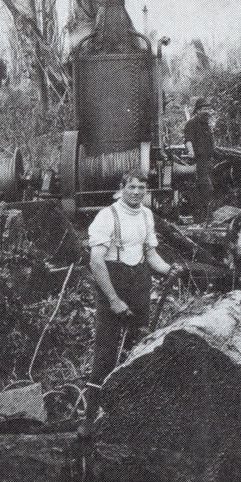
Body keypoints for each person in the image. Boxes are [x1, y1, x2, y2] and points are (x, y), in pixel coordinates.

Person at [84, 172, 174, 436]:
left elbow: (150, 254)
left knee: (140, 348)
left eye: (141, 188)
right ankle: (89, 421)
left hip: (139, 283)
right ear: (121, 188)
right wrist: (113, 300)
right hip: (113, 282)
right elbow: (96, 262)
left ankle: (132, 417)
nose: (136, 192)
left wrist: (169, 270)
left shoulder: (146, 215)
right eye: (132, 187)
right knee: (106, 354)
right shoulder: (106, 216)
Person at [184, 97, 215, 221]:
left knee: (204, 188)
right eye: (204, 109)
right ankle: (205, 217)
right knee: (206, 188)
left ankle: (203, 216)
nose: (207, 111)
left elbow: (211, 143)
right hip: (199, 161)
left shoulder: (207, 124)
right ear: (197, 110)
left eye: (208, 108)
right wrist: (191, 151)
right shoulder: (191, 123)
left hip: (208, 160)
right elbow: (188, 140)